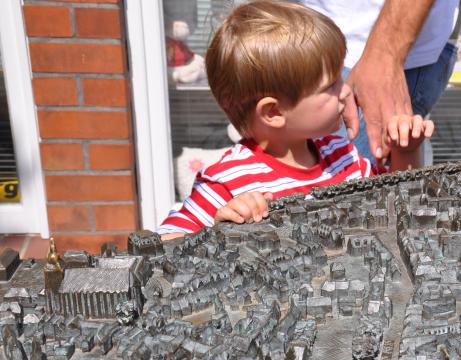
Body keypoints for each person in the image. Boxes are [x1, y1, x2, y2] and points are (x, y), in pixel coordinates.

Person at [157, 0, 433, 238]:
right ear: (273, 112)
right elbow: (160, 247)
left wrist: (406, 150)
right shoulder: (228, 181)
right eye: (331, 86)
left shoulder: (341, 156)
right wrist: (219, 231)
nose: (346, 91)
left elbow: (397, 205)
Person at [304, 0, 461, 162]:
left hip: (375, 51)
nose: (344, 91)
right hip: (317, 36)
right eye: (331, 87)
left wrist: (385, 54)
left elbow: (401, 178)